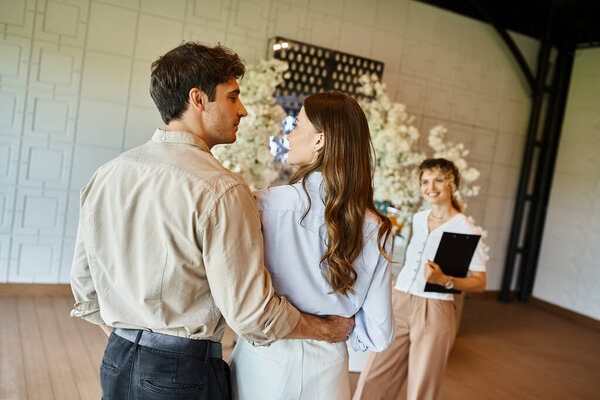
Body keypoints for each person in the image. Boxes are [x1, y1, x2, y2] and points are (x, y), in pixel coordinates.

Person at [69, 42, 354, 400]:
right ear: (198, 99)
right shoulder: (222, 189)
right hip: (181, 371)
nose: (244, 110)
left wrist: (135, 339)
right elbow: (251, 314)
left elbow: (84, 285)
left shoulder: (108, 174)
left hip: (116, 359)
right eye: (233, 97)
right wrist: (325, 330)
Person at [229, 92, 395, 400]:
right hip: (329, 369)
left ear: (319, 140)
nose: (289, 134)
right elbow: (380, 331)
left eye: (297, 124)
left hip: (266, 360)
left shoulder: (263, 205)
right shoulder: (377, 227)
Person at [353, 158, 487, 400]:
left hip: (434, 309)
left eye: (438, 179)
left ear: (452, 184)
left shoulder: (467, 229)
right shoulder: (418, 218)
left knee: (422, 386)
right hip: (399, 301)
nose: (430, 186)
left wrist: (445, 280)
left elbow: (480, 281)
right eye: (425, 181)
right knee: (374, 373)